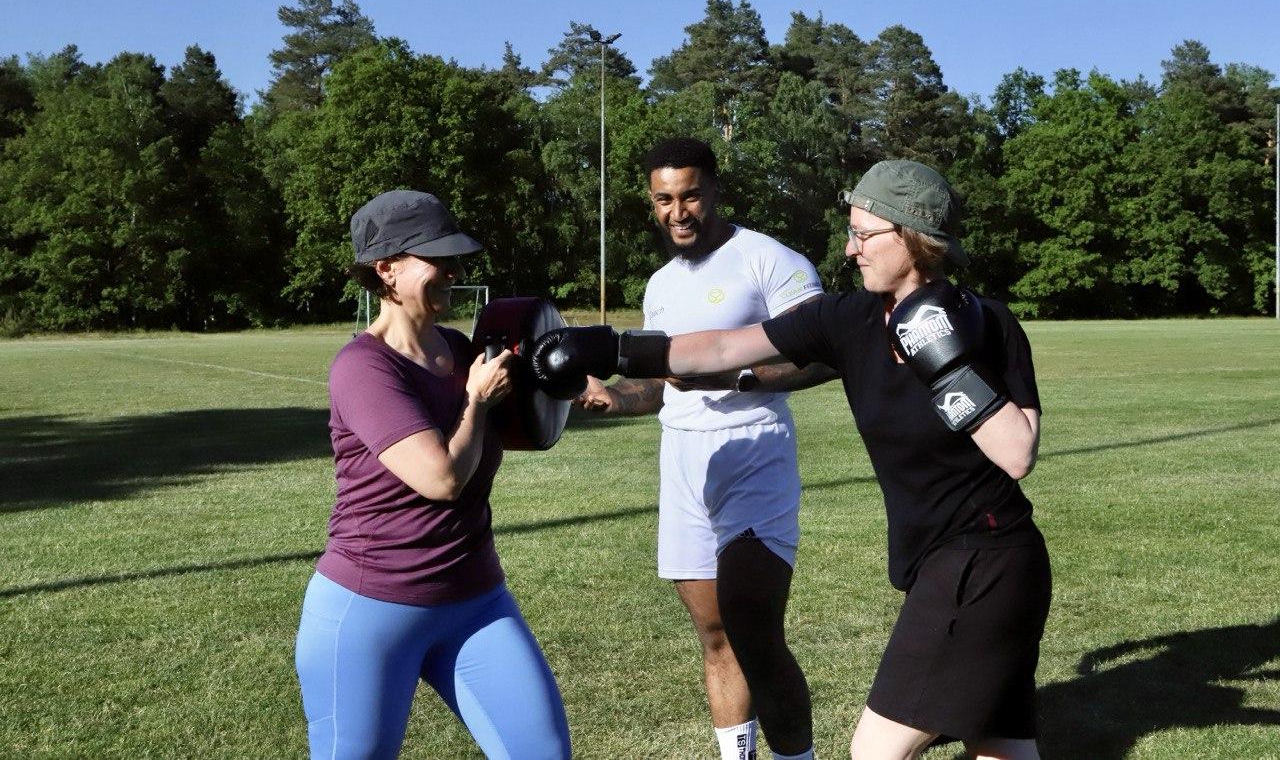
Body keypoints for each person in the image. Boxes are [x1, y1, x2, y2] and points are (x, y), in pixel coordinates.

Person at [533, 160, 1051, 760]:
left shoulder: (990, 322)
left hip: (985, 560)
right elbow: (724, 346)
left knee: (876, 751)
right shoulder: (847, 318)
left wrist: (946, 364)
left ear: (912, 237)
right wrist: (614, 347)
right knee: (1000, 749)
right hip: (940, 557)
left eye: (864, 234)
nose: (849, 248)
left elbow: (1017, 451)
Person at [576, 138, 836, 760]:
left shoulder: (769, 261)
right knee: (715, 634)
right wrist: (615, 398)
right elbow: (664, 386)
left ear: (715, 190)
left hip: (753, 452)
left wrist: (740, 377)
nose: (678, 211)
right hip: (683, 462)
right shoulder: (661, 284)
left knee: (755, 631)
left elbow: (827, 355)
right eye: (664, 199)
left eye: (690, 194)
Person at [294, 189, 571, 759]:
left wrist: (571, 380)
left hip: (475, 601)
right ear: (386, 269)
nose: (452, 270)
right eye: (436, 258)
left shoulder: (462, 349)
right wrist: (475, 404)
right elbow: (442, 480)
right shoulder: (363, 367)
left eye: (456, 257)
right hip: (371, 612)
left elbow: (530, 417)